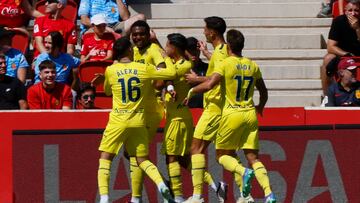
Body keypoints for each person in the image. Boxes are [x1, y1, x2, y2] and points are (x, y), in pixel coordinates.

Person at [184, 29, 276, 203]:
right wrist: (260, 107)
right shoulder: (252, 65)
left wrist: (191, 90)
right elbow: (263, 91)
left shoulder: (226, 64)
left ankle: (241, 174)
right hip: (250, 114)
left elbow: (210, 84)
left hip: (232, 113)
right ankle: (267, 194)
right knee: (252, 157)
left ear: (228, 47)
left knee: (221, 155)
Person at [96, 37, 177, 203]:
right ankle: (161, 185)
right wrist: (166, 57)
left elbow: (107, 92)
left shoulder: (111, 70)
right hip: (138, 120)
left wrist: (102, 80)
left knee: (106, 157)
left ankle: (104, 198)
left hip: (118, 120)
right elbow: (172, 73)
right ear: (128, 50)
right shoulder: (143, 68)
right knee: (142, 160)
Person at [183, 16, 229, 203]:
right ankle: (241, 193)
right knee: (225, 154)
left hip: (214, 107)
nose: (203, 31)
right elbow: (218, 67)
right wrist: (207, 54)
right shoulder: (221, 51)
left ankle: (197, 196)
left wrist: (194, 83)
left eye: (205, 28)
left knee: (195, 149)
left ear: (212, 32)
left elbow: (216, 79)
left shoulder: (222, 52)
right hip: (215, 107)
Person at [127, 20, 167, 203]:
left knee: (136, 153)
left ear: (148, 34)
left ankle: (139, 197)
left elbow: (163, 73)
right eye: (135, 34)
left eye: (141, 34)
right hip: (137, 111)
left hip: (151, 109)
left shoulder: (153, 51)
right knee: (134, 153)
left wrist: (153, 86)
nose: (137, 37)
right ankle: (156, 187)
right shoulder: (132, 51)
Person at [320, 0, 360, 96]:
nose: (353, 13)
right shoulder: (339, 21)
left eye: (357, 10)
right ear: (345, 10)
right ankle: (327, 96)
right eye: (350, 10)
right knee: (328, 58)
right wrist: (346, 54)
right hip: (344, 55)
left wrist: (357, 29)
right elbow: (330, 47)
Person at [78, 0, 145, 35]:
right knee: (101, 32)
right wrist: (104, 27)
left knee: (140, 18)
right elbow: (84, 20)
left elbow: (126, 17)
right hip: (95, 27)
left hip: (115, 26)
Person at [185, 37, 208, 108]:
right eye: (190, 50)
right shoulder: (181, 68)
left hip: (204, 109)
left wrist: (197, 79)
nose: (193, 53)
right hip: (186, 110)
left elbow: (218, 79)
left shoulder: (207, 67)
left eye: (195, 49)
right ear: (184, 51)